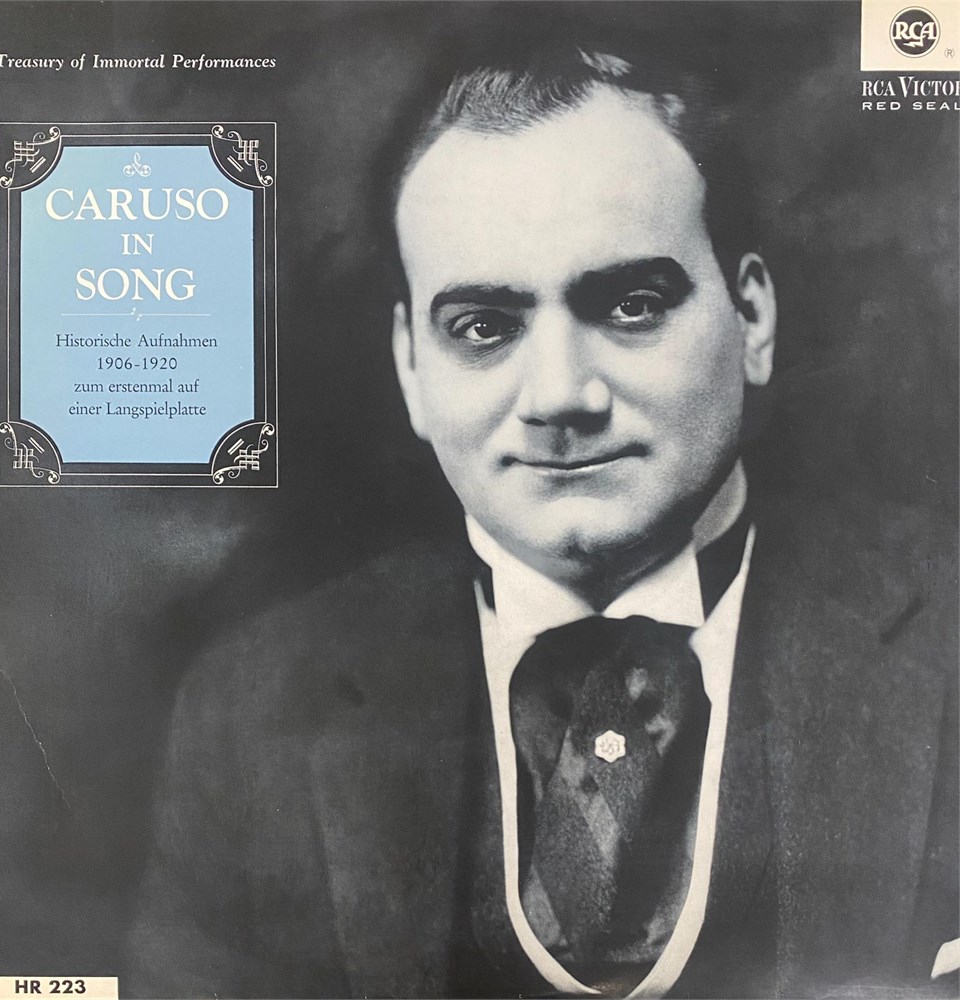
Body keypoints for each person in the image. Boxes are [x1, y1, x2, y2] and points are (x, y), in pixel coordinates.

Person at [127, 46, 958, 999]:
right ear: (411, 368)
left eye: (632, 306)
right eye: (484, 326)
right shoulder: (252, 709)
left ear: (752, 318)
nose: (560, 395)